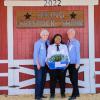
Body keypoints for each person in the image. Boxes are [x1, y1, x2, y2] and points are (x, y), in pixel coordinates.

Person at [46, 34, 70, 99]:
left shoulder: (64, 46)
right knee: (52, 81)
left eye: (59, 38)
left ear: (61, 39)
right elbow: (48, 56)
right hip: (53, 67)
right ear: (54, 39)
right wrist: (47, 64)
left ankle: (63, 93)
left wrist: (67, 64)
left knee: (62, 80)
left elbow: (67, 56)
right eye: (56, 38)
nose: (58, 39)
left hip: (62, 67)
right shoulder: (50, 47)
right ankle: (52, 94)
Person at [33, 29, 50, 100]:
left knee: (43, 80)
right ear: (41, 35)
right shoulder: (38, 43)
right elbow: (35, 54)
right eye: (44, 35)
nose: (45, 36)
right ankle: (37, 96)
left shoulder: (48, 43)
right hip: (39, 65)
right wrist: (37, 64)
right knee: (39, 80)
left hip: (45, 65)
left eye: (46, 35)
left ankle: (41, 94)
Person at [67, 29, 80, 100]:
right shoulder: (68, 42)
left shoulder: (76, 42)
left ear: (74, 34)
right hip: (69, 64)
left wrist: (77, 63)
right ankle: (77, 93)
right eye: (69, 34)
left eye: (71, 34)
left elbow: (78, 53)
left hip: (75, 63)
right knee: (72, 79)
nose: (70, 35)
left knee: (74, 79)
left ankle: (73, 96)